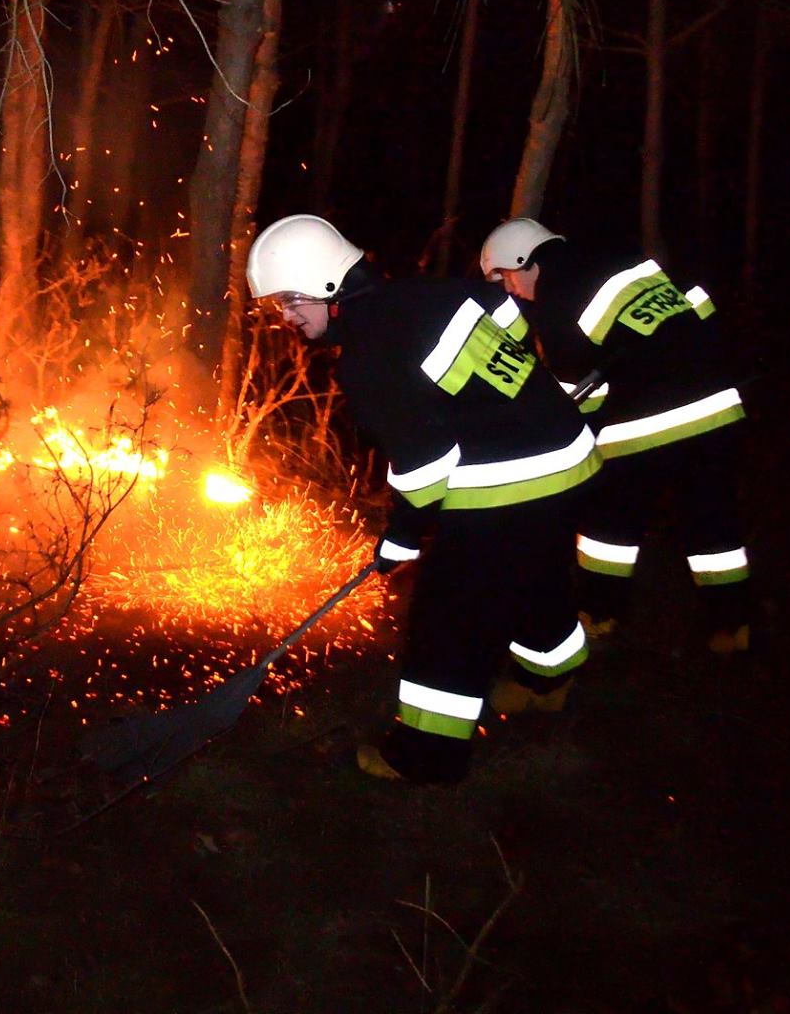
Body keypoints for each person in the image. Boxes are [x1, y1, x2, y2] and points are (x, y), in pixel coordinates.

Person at [247, 214, 601, 784]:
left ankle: (425, 757)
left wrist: (402, 540)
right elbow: (509, 314)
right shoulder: (424, 293)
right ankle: (551, 681)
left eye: (292, 302)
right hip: (571, 456)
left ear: (330, 289)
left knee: (449, 614)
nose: (287, 318)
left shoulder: (368, 356)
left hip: (514, 479)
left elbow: (427, 467)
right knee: (533, 569)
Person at [479, 217, 754, 655]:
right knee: (712, 522)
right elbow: (699, 301)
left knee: (607, 525)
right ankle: (733, 624)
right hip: (718, 407)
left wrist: (556, 439)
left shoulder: (556, 298)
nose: (510, 290)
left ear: (524, 261)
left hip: (646, 425)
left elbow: (578, 394)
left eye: (506, 278)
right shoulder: (623, 260)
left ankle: (599, 617)